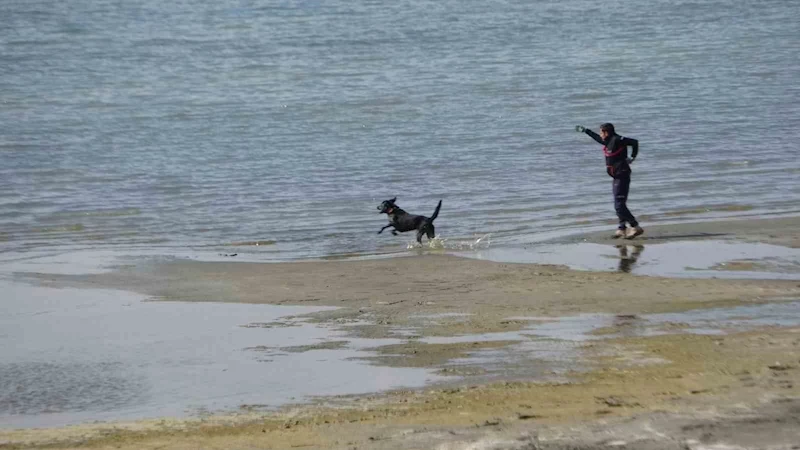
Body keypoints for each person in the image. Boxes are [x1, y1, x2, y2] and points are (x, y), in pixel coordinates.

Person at [575, 123, 643, 239]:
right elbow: (597, 138)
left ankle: (635, 226)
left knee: (619, 205)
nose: (600, 134)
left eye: (601, 132)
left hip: (622, 174)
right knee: (619, 203)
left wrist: (632, 157)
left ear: (606, 132)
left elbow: (634, 142)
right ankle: (622, 228)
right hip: (616, 176)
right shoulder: (608, 141)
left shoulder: (617, 139)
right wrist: (586, 131)